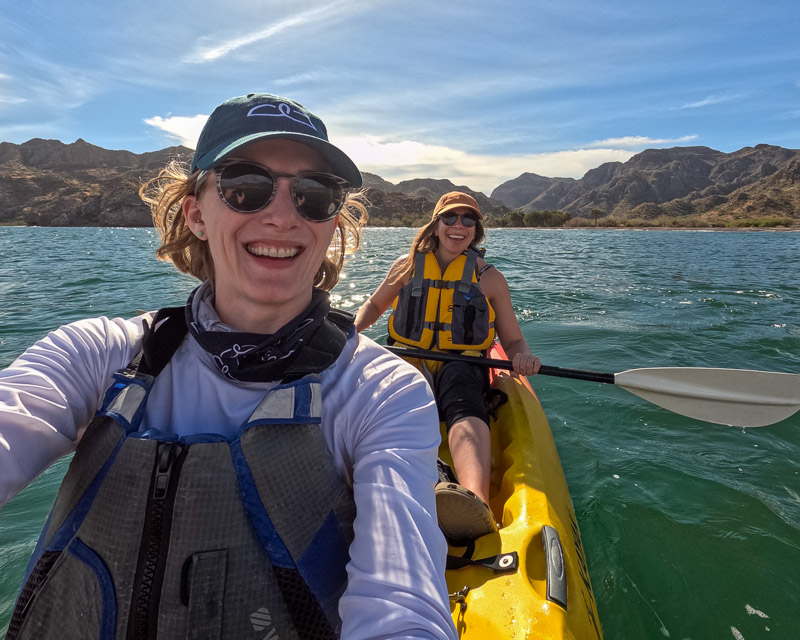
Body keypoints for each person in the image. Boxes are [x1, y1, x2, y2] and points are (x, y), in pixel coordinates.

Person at [0, 93, 458, 640]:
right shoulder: (98, 354)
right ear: (195, 212)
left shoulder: (380, 391)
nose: (284, 216)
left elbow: (401, 608)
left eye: (314, 194)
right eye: (246, 186)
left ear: (333, 222)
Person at [355, 192, 541, 541]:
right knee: (390, 395)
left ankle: (472, 501)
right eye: (450, 218)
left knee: (461, 395)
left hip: (461, 362)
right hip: (410, 357)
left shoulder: (490, 279)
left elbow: (513, 341)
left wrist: (523, 357)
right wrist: (349, 331)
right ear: (436, 225)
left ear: (476, 230)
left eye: (468, 220)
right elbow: (374, 305)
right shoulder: (407, 265)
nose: (459, 226)